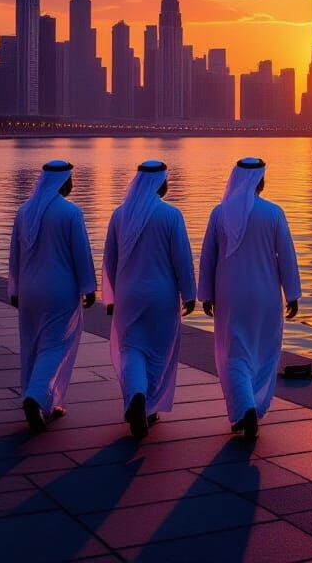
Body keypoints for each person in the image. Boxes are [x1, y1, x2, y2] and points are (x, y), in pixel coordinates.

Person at [198, 157, 301, 440]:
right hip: (266, 293)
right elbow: (287, 256)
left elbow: (208, 258)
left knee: (234, 353)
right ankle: (252, 406)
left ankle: (245, 409)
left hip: (230, 294)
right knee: (265, 349)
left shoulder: (219, 214)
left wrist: (205, 293)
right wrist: (291, 293)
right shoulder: (274, 213)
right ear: (260, 181)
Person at [102, 160, 196, 438]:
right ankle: (148, 405)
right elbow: (182, 259)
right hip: (162, 296)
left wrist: (111, 297)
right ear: (159, 183)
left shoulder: (120, 215)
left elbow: (109, 260)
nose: (168, 184)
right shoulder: (171, 215)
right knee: (158, 352)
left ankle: (136, 395)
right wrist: (190, 294)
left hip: (128, 294)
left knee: (131, 349)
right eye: (167, 180)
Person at [8, 160, 97, 433]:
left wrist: (14, 289)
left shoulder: (24, 211)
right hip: (60, 290)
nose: (72, 184)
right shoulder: (70, 212)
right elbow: (80, 253)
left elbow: (14, 256)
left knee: (33, 344)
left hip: (29, 290)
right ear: (62, 182)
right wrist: (88, 287)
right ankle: (35, 396)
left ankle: (51, 401)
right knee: (56, 345)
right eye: (70, 180)